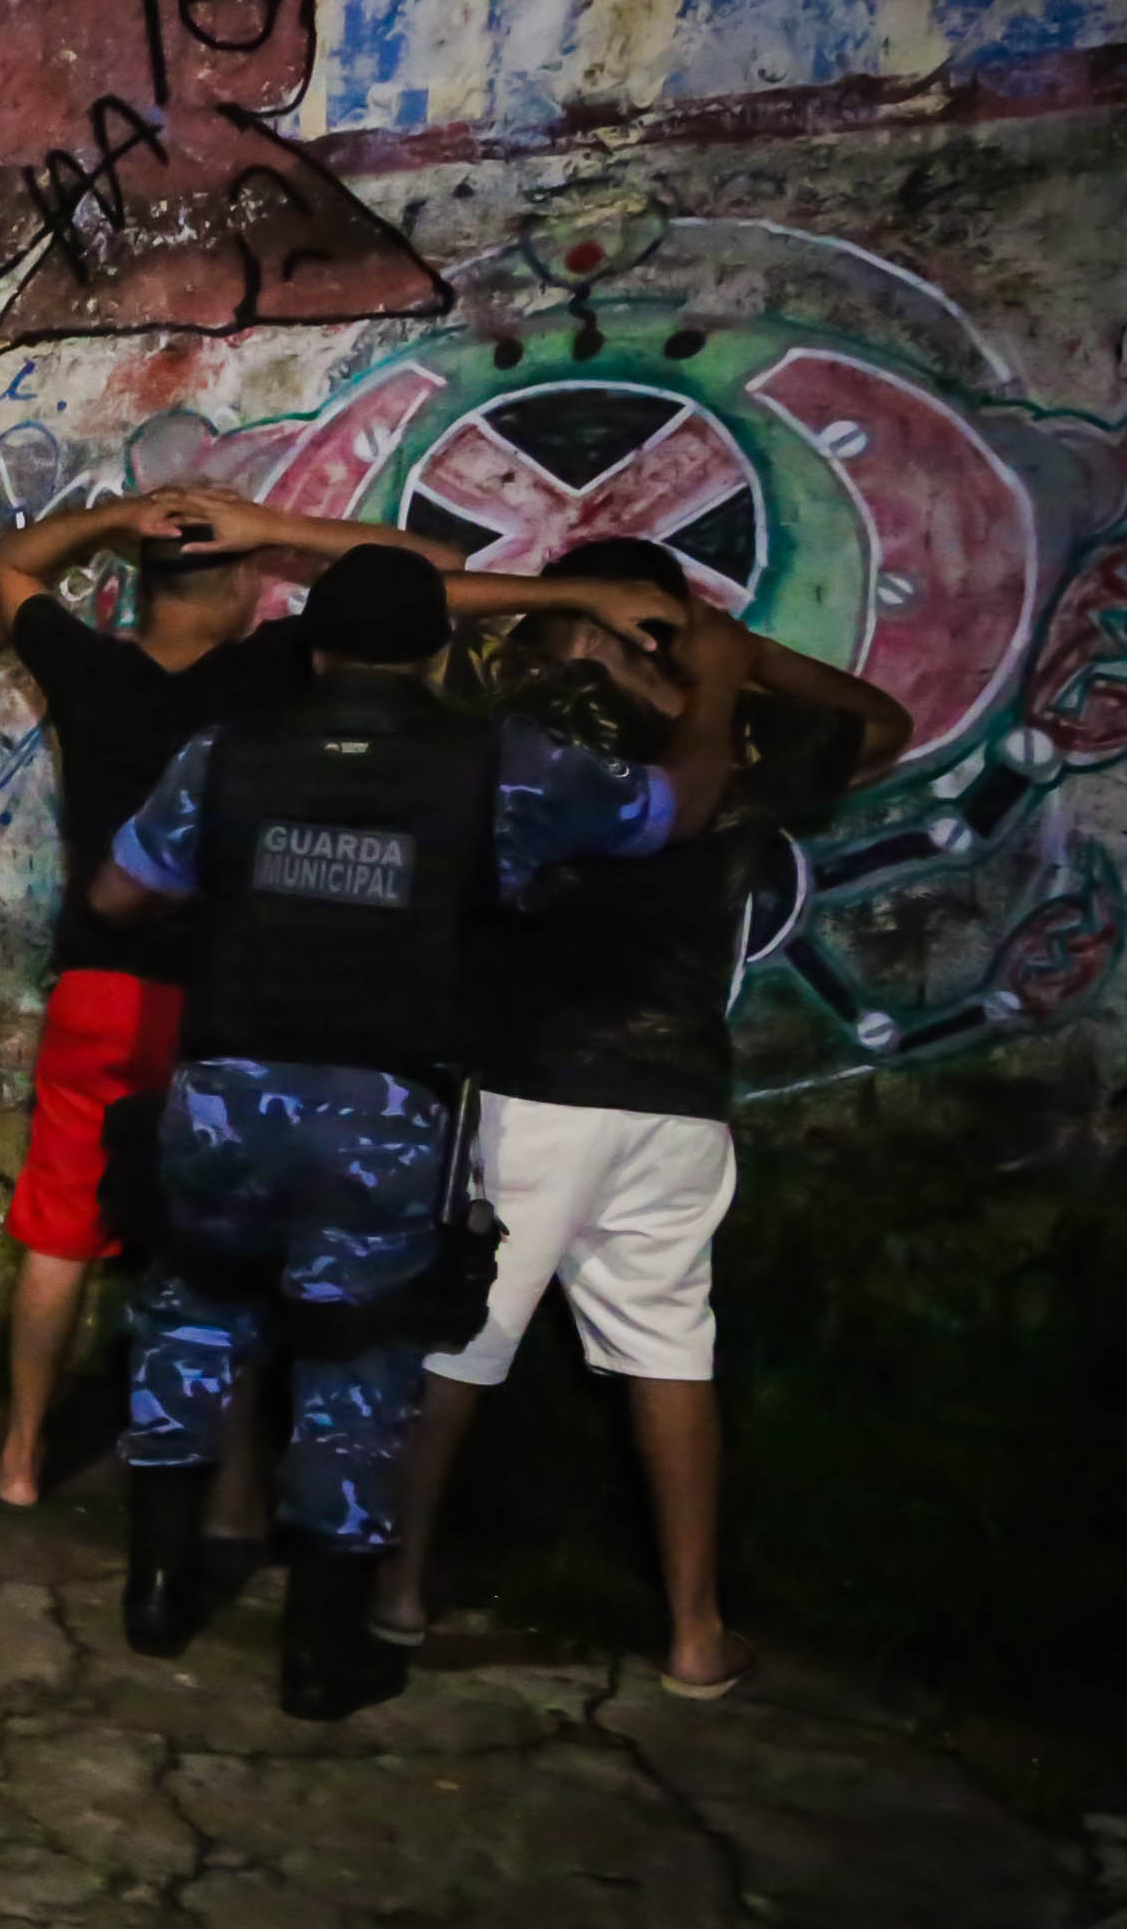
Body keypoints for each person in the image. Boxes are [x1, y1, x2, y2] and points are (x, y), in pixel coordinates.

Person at [85, 541, 753, 1721]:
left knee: (190, 1314)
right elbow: (675, 810)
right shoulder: (501, 762)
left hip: (227, 1085)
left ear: (320, 646)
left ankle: (155, 1591)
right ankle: (319, 1653)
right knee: (361, 1356)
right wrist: (721, 685)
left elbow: (120, 895)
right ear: (438, 650)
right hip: (385, 1109)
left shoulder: (227, 749)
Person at [0, 489, 678, 1507]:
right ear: (241, 588)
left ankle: (22, 1457)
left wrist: (123, 513)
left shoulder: (91, 668)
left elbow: (11, 567)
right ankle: (234, 1494)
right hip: (236, 1005)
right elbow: (425, 575)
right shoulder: (272, 670)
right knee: (241, 1254)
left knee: (59, 1231)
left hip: (99, 984)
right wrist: (279, 525)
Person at [379, 537, 908, 1699]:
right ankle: (695, 1631)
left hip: (529, 1087)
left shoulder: (528, 729)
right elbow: (881, 723)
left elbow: (392, 618)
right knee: (672, 1355)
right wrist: (734, 663)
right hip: (674, 1101)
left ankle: (399, 1588)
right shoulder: (743, 746)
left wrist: (596, 617)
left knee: (458, 1345)